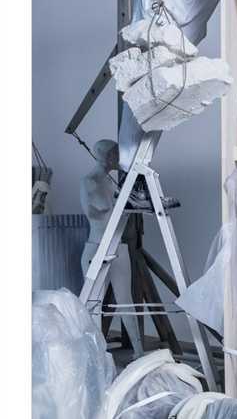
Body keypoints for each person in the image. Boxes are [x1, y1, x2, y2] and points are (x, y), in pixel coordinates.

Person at [80, 139, 144, 358]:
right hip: (97, 247)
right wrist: (125, 202)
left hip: (118, 247)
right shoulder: (90, 181)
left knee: (126, 301)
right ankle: (95, 356)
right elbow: (102, 210)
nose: (119, 158)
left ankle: (139, 351)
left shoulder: (110, 181)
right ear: (106, 156)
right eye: (116, 154)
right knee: (93, 304)